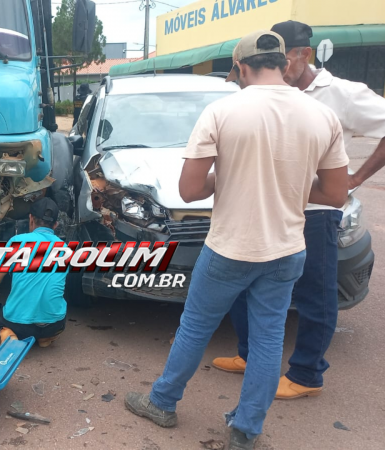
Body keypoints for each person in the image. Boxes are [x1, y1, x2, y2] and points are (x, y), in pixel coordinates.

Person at [124, 30, 349, 450]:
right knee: (269, 338)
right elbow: (337, 194)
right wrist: (288, 184)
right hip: (287, 249)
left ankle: (162, 402)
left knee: (195, 328)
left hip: (230, 248)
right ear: (284, 63)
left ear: (242, 68)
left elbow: (190, 189)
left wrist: (226, 178)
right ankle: (245, 431)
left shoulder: (222, 111)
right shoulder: (322, 115)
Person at [212, 20, 385, 400]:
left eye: (282, 57)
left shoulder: (341, 95)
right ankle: (249, 354)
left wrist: (357, 177)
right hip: (262, 207)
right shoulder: (264, 94)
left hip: (314, 211)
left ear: (304, 54)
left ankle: (307, 375)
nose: (274, 65)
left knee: (314, 294)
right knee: (243, 287)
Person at [0, 197, 67, 347]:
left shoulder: (17, 241)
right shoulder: (65, 248)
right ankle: (45, 337)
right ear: (56, 224)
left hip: (20, 326)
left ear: (31, 219)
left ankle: (8, 337)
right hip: (55, 324)